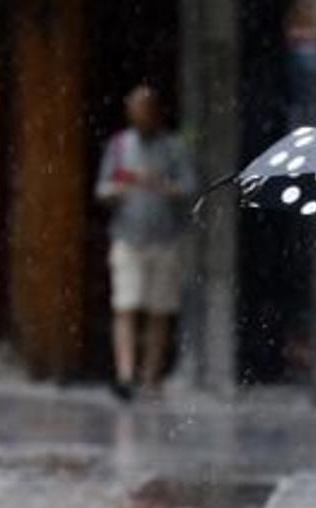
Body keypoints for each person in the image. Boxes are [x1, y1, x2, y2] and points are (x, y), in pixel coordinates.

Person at [95, 85, 197, 401]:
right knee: (125, 305)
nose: (141, 117)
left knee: (159, 309)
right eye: (136, 110)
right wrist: (117, 191)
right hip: (128, 237)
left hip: (164, 239)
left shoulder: (174, 148)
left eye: (147, 110)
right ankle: (125, 374)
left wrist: (162, 185)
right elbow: (102, 189)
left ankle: (150, 375)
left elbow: (189, 188)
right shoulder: (118, 146)